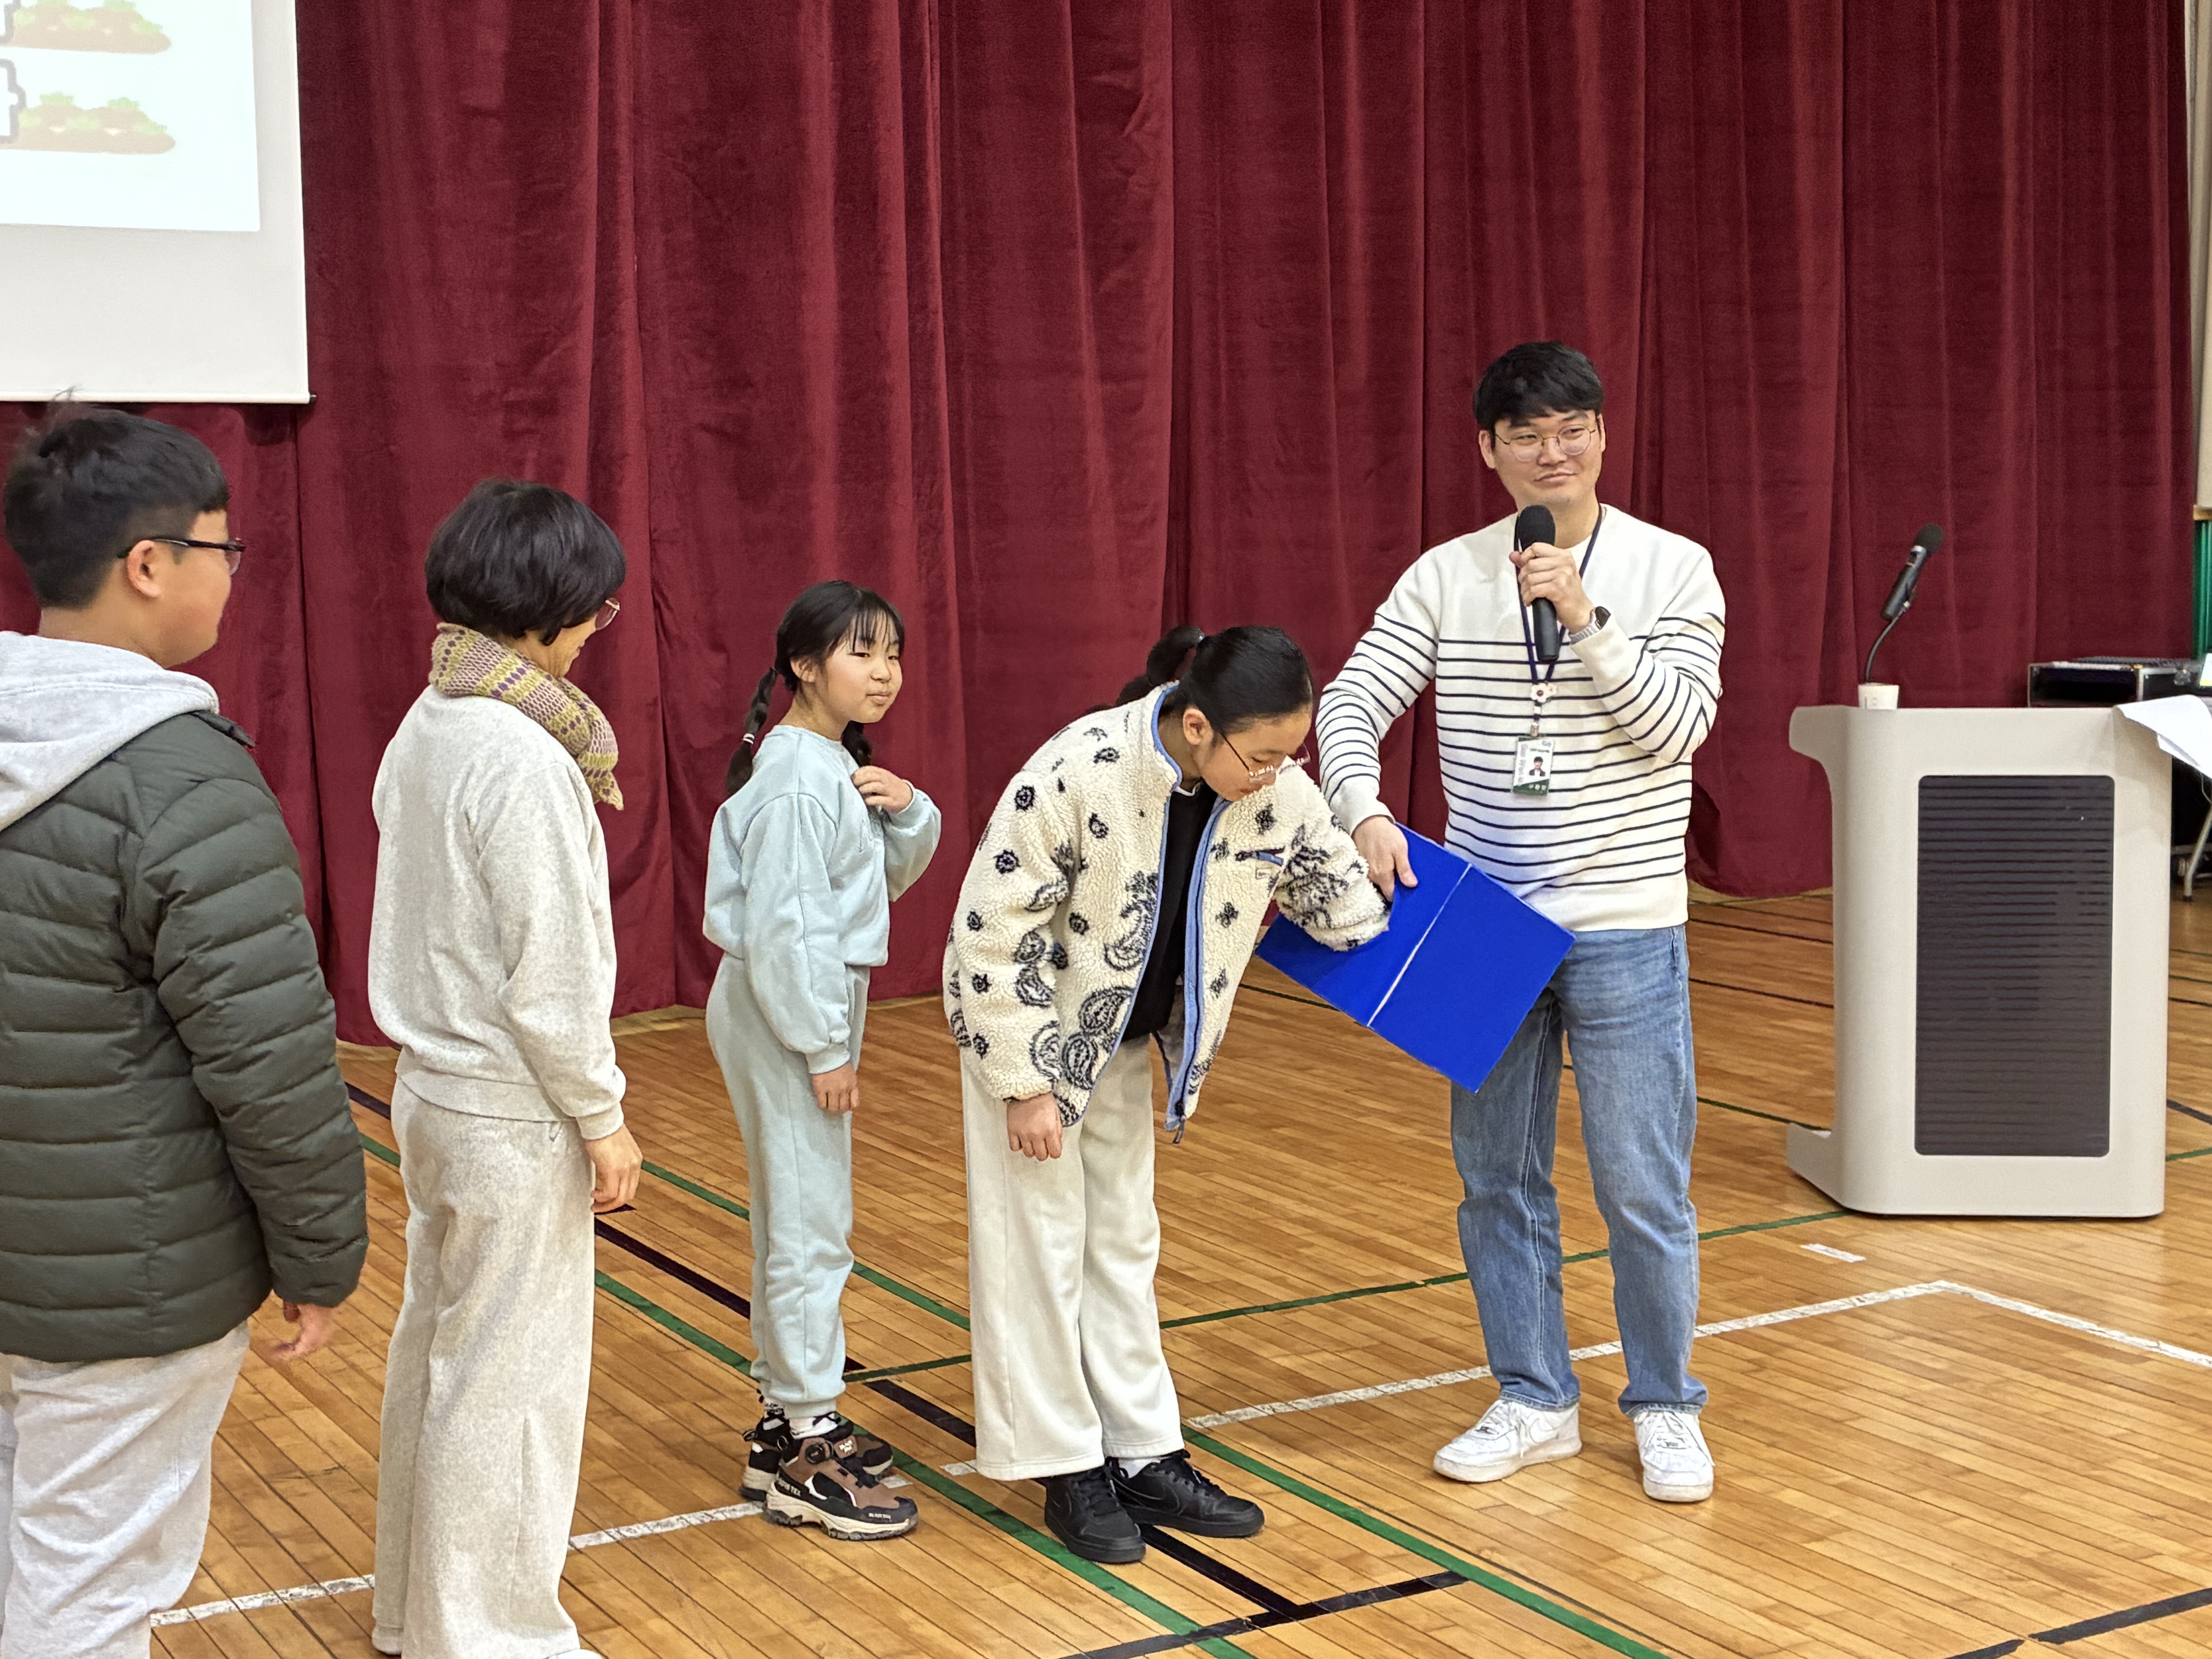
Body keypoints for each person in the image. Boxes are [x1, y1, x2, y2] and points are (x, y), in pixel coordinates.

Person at [1317, 341, 1726, 1503]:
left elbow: (1675, 730)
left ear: (1602, 434)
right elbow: (1350, 703)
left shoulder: (1675, 568)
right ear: (1489, 450)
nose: (1556, 451)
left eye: (1574, 428)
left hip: (1626, 920)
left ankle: (1665, 1404)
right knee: (1497, 1178)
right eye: (1530, 435)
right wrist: (1362, 811)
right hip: (1484, 923)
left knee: (1642, 1185)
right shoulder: (1446, 576)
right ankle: (1536, 1395)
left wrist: (1586, 617)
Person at [0, 410, 368, 1659]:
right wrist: (320, 1252)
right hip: (125, 1280)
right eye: (224, 547)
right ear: (150, 563)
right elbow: (269, 1059)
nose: (232, 573)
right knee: (87, 1599)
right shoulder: (181, 776)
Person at [946, 625, 1389, 1564]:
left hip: (1125, 1045)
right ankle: (1064, 1463)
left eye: (1290, 756)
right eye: (1261, 756)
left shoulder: (1274, 792)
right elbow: (989, 933)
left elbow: (1344, 907)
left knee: (1123, 1243)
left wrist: (1370, 857)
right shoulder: (1078, 769)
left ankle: (1143, 1451)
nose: (1276, 775)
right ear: (1198, 727)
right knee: (1038, 1247)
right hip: (1033, 1042)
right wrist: (1023, 1084)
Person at [367, 479, 644, 1659]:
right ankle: (492, 1637)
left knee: (440, 1356)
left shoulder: (431, 717)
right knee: (510, 1384)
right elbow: (554, 969)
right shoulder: (523, 753)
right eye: (592, 608)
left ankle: (416, 1614)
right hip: (509, 1105)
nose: (595, 630)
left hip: (434, 1089)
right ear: (547, 607)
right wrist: (602, 1113)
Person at [704, 580, 940, 1541]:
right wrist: (824, 1046)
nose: (884, 673)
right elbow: (789, 929)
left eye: (893, 654)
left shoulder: (826, 765)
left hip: (795, 1000)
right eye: (861, 653)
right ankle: (807, 1440)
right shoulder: (801, 780)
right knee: (811, 1224)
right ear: (804, 666)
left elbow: (867, 891)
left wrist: (910, 810)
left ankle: (784, 1418)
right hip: (789, 1006)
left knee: (796, 1216)